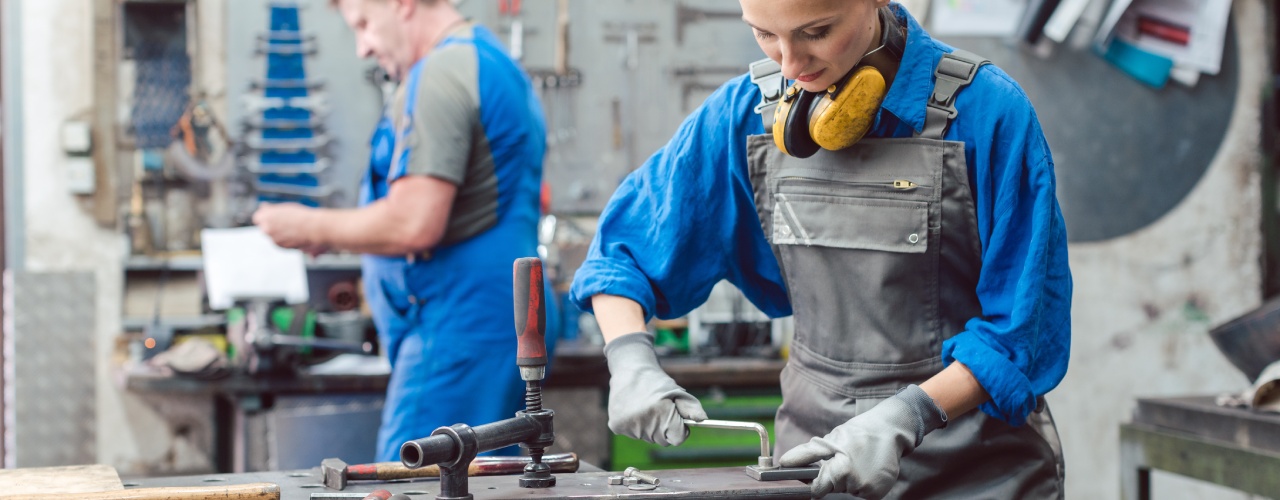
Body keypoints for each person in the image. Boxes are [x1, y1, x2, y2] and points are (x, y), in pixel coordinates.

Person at [569, 0, 1071, 498]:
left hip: (978, 476)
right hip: (814, 470)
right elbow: (623, 250)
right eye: (765, 34)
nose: (789, 65)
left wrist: (904, 417)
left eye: (816, 32)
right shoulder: (747, 114)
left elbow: (1021, 333)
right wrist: (630, 360)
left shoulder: (987, 113)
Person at [253, 0, 552, 461]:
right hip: (489, 321)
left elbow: (415, 222)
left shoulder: (441, 73)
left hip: (456, 330)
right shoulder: (490, 60)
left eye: (365, 24)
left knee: (415, 479)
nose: (362, 47)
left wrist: (306, 223)